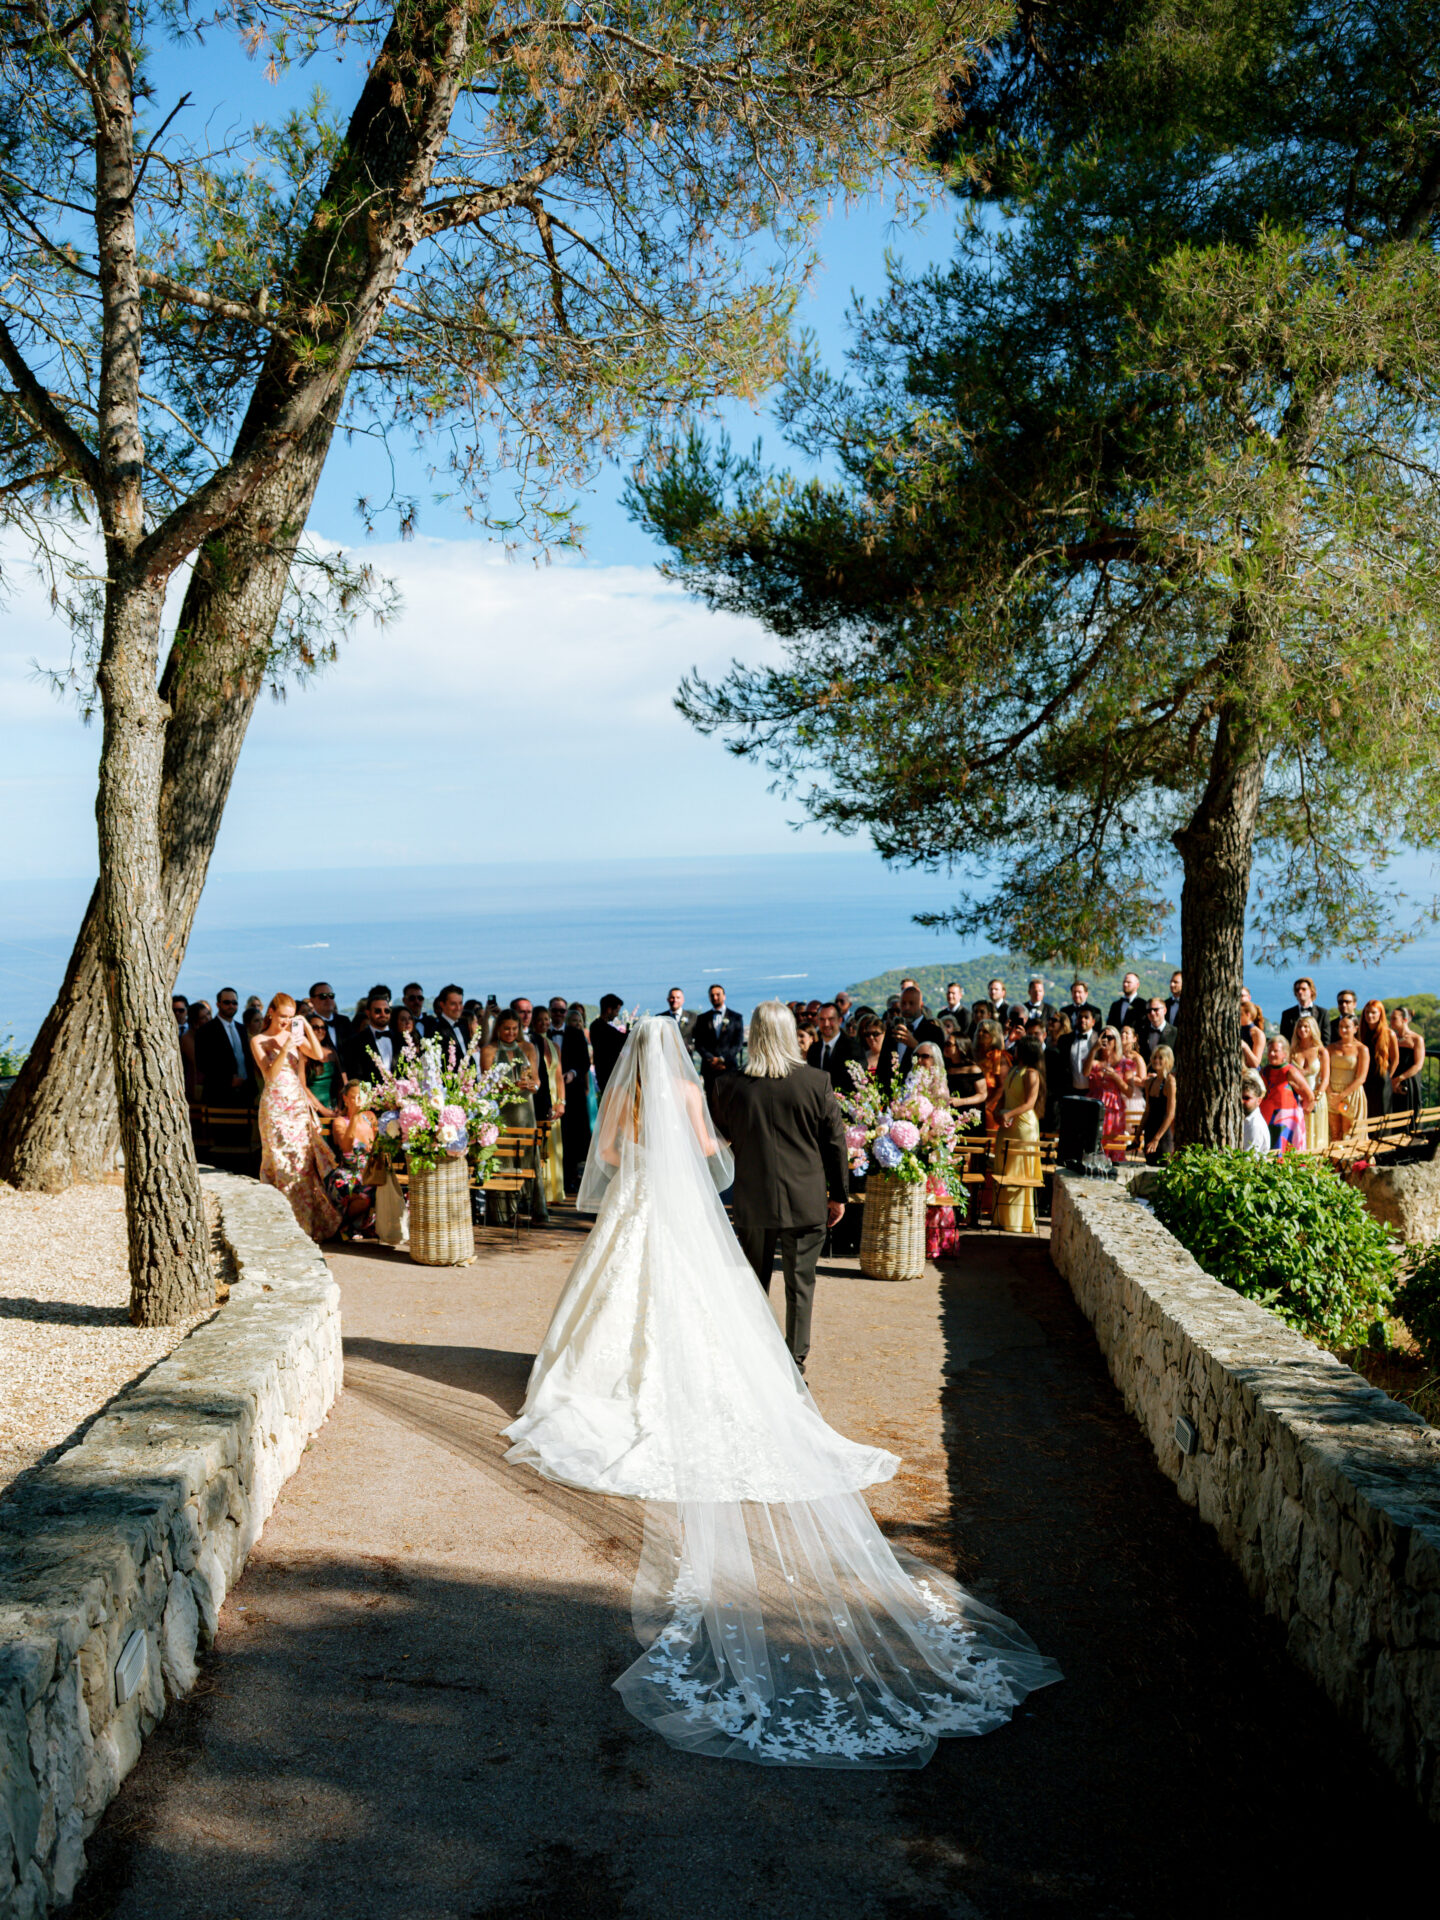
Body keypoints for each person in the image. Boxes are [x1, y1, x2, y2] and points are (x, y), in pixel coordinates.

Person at [501, 1014, 1059, 1766]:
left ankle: (616, 1383)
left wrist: (643, 1156)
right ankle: (780, 1365)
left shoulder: (633, 1094)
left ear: (634, 1050)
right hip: (688, 1213)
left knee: (614, 1307)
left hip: (637, 1207)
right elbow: (709, 1156)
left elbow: (601, 1155)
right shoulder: (696, 1092)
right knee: (722, 1308)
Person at [709, 1003, 848, 1374]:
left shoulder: (727, 1087)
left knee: (752, 1282)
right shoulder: (817, 1082)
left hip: (753, 1196)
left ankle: (753, 1357)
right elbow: (835, 1143)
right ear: (789, 1034)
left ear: (754, 1035)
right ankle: (794, 1362)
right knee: (801, 1285)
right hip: (805, 1197)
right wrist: (838, 1195)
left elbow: (723, 1138)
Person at [251, 994, 340, 1241]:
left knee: (302, 1164)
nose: (285, 1022)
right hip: (276, 1107)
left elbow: (318, 1055)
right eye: (282, 1017)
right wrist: (287, 1046)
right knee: (279, 1163)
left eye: (290, 1018)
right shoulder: (259, 1040)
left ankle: (306, 1226)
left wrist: (307, 1027)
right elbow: (270, 1075)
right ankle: (280, 1224)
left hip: (297, 1106)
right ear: (271, 1013)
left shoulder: (295, 1034)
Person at [484, 1009, 547, 1226]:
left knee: (528, 1156)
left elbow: (538, 1081)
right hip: (502, 1113)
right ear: (498, 1029)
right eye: (506, 1028)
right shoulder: (489, 1050)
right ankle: (502, 1213)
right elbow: (486, 1085)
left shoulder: (528, 1048)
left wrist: (533, 1085)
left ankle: (532, 1209)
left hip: (525, 1113)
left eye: (514, 1028)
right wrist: (507, 1087)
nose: (510, 1033)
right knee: (503, 1158)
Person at [994, 1037, 1042, 1233]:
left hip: (1023, 1126)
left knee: (1018, 1170)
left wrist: (1009, 1113)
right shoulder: (1013, 1070)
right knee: (1003, 1167)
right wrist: (998, 1113)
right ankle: (1002, 1219)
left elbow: (1030, 1103)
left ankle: (1018, 1222)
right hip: (1008, 1123)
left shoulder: (1031, 1074)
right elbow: (1004, 1097)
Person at [325, 1080, 378, 1240]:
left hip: (368, 1172)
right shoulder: (340, 1122)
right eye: (354, 1097)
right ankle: (341, 1225)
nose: (357, 1101)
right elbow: (346, 1148)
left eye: (360, 1097)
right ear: (345, 1098)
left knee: (377, 1189)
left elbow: (377, 1147)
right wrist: (354, 1117)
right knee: (363, 1195)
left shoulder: (370, 1118)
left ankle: (355, 1226)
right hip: (347, 1173)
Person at [195, 987, 256, 1109]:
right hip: (219, 1095)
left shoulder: (242, 1029)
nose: (231, 1005)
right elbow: (203, 1063)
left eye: (234, 1003)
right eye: (227, 1002)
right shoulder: (206, 1030)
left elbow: (247, 1059)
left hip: (245, 1095)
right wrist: (227, 1082)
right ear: (218, 1004)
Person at [529, 1006, 566, 1205]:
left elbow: (559, 1076)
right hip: (542, 1100)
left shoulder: (554, 1046)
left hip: (554, 1100)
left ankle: (555, 1192)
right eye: (540, 1019)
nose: (544, 1023)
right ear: (534, 1022)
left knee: (555, 1148)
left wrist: (562, 1102)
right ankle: (542, 1193)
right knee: (542, 1146)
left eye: (547, 1019)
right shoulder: (532, 1043)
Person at [559, 1003, 594, 1192]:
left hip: (574, 1092)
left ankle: (572, 1175)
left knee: (573, 1135)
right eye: (554, 1011)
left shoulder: (576, 1034)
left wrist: (572, 1073)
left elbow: (584, 1063)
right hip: (554, 1094)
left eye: (561, 1011)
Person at [1260, 1035, 1313, 1156]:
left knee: (1286, 1152)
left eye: (1276, 1051)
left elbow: (1309, 1095)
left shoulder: (1290, 1071)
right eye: (1270, 1051)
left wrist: (1299, 1113)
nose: (1272, 1054)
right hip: (1268, 1118)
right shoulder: (1264, 1071)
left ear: (1284, 1053)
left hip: (1287, 1121)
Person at [1086, 1026, 1131, 1162]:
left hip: (1114, 1108)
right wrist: (1094, 1049)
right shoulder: (1095, 1062)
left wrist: (1116, 1077)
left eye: (1110, 1037)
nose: (1106, 1040)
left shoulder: (1124, 1063)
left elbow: (1129, 1091)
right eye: (1103, 1036)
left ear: (1116, 1041)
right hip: (1095, 1105)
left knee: (1113, 1142)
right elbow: (1085, 1072)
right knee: (1094, 1140)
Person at [1325, 1014, 1370, 1144]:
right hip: (1332, 1093)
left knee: (1348, 1132)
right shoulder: (1331, 1048)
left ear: (1355, 1028)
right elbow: (1325, 1072)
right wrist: (1330, 1093)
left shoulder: (1362, 1049)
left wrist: (1342, 1096)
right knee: (1334, 1132)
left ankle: (1349, 1163)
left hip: (1351, 1095)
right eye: (1341, 1027)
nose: (1343, 1030)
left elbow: (1361, 1077)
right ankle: (1334, 1163)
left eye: (1347, 1027)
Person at [692, 983, 744, 1093]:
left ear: (724, 996)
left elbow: (738, 1043)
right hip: (709, 1068)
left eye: (718, 994)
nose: (715, 997)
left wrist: (723, 1060)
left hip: (729, 1067)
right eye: (712, 995)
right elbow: (699, 1043)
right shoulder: (702, 1018)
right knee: (711, 1102)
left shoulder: (736, 1017)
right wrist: (711, 1059)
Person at [1291, 1014, 1331, 1153]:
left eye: (1306, 1026)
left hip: (1316, 1098)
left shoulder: (1321, 1051)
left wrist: (1315, 1098)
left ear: (1312, 1028)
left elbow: (1325, 1078)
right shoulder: (1293, 1051)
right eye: (1300, 1026)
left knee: (1316, 1134)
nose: (1302, 1029)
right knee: (1299, 1135)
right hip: (1297, 1100)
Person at [343, 992, 394, 1084]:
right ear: (368, 1013)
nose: (383, 1014)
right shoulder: (355, 1042)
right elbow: (354, 1076)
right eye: (378, 1011)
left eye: (386, 1011)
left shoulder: (401, 1039)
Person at [1358, 1000, 1397, 1120]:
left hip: (1381, 1078)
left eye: (1374, 1012)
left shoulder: (1389, 1034)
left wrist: (1388, 1077)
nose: (1370, 1016)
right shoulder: (1360, 1033)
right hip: (1365, 1078)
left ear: (1380, 1014)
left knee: (1383, 1113)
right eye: (1367, 1012)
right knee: (1367, 1111)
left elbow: (1395, 1059)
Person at [1390, 1006, 1426, 1125]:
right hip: (1393, 1078)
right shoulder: (1392, 1037)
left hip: (1409, 1080)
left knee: (1409, 1112)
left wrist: (1400, 1079)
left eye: (1394, 1018)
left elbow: (1418, 1065)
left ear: (1404, 1020)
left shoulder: (1416, 1039)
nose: (1391, 1021)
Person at [1141, 1046, 1176, 1163]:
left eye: (1160, 1058)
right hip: (1149, 1131)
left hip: (1163, 1134)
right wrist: (1138, 1134)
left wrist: (1157, 1139)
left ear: (1168, 1060)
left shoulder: (1170, 1082)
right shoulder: (1149, 1082)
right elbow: (1147, 1110)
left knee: (1163, 1168)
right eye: (1154, 1057)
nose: (1156, 1061)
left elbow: (1170, 1114)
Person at [589, 994, 628, 1096]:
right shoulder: (600, 1027)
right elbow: (620, 1039)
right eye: (616, 1011)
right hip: (608, 1075)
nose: (616, 1015)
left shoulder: (597, 1025)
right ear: (609, 1010)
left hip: (608, 1074)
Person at [1279, 978, 1331, 1046]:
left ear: (1311, 991)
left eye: (1304, 989)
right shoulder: (1287, 1014)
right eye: (1297, 990)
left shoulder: (1323, 1013)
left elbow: (1326, 1040)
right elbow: (1284, 1040)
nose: (1300, 992)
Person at [426, 984, 469, 1063]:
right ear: (442, 1005)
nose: (458, 1008)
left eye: (460, 1003)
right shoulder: (436, 1031)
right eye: (453, 1004)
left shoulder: (464, 1026)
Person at [307, 982, 352, 1058]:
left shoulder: (344, 1021)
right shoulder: (307, 1023)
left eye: (331, 996)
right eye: (323, 996)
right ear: (311, 1001)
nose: (328, 999)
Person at [1118, 1024, 1147, 1137]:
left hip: (1133, 1098)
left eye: (1127, 1033)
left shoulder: (1137, 1058)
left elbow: (1143, 1080)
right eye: (1121, 1032)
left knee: (1131, 1133)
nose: (1123, 1035)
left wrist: (1126, 1076)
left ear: (1134, 1038)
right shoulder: (1116, 1055)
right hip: (1118, 1095)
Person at [1137, 998, 1178, 1064]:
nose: (1152, 1013)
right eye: (1149, 1010)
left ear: (1164, 1010)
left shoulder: (1175, 1032)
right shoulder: (1142, 1032)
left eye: (1156, 1009)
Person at [1068, 1004, 1100, 1087]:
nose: (1082, 1020)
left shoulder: (1099, 1039)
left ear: (1093, 1022)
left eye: (1086, 1017)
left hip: (1093, 1090)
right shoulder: (1066, 1040)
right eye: (1080, 1017)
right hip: (1071, 1090)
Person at [1240, 1070, 1271, 1154]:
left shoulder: (1255, 1126)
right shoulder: (1248, 1120)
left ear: (1259, 1101)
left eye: (1246, 1098)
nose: (1241, 1101)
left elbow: (1248, 1160)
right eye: (1239, 1097)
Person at [1239, 991, 1266, 1071]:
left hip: (1251, 1074)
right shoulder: (1237, 1029)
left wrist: (1245, 1046)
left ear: (1248, 1015)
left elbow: (1255, 1063)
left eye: (1240, 1014)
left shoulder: (1257, 1033)